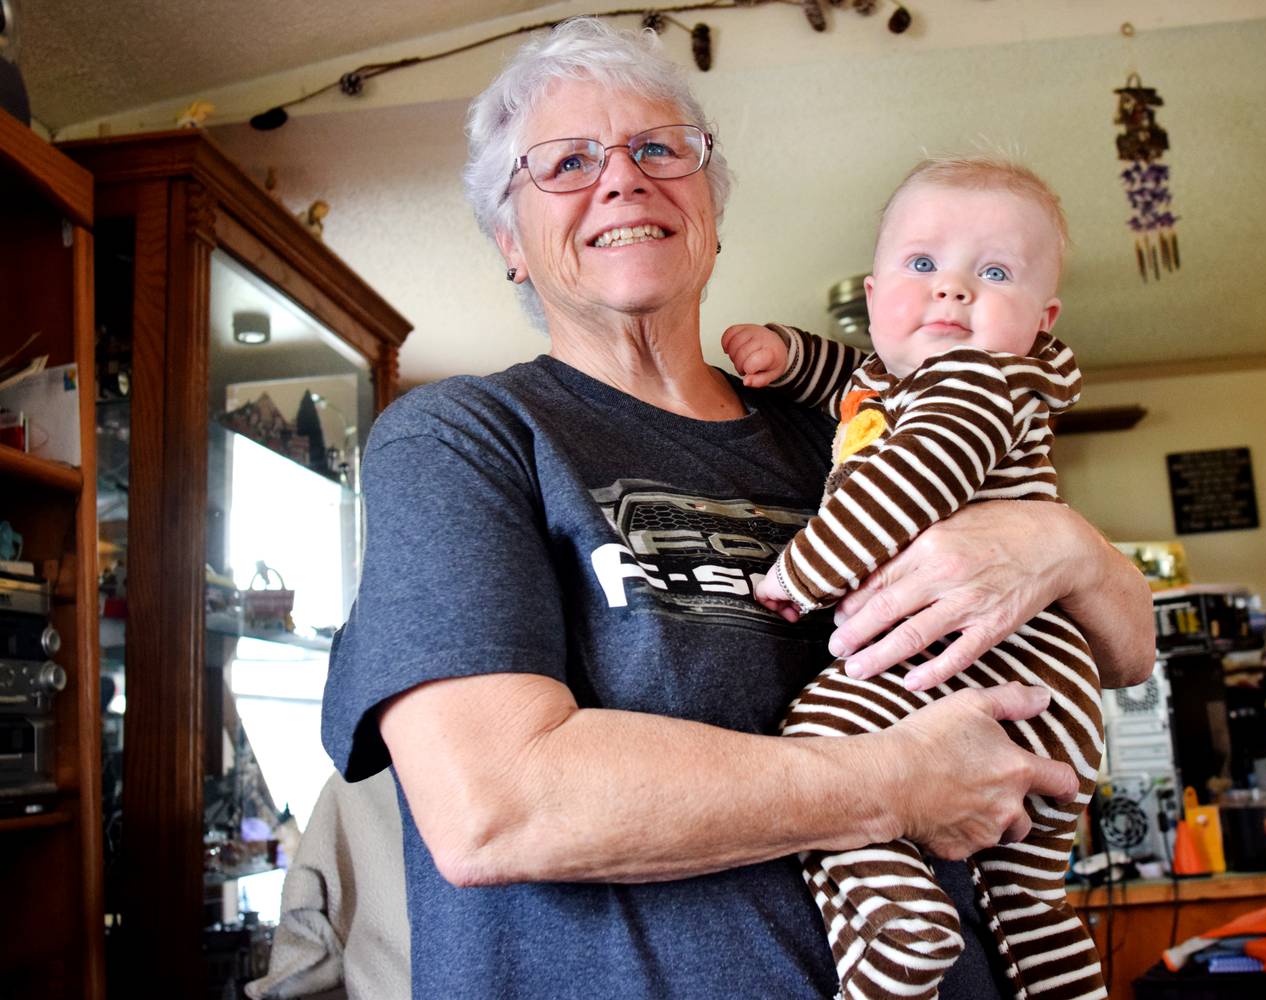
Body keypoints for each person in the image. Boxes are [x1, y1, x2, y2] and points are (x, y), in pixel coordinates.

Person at [320, 18, 1154, 1000]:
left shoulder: (839, 427)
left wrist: (1066, 546)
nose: (623, 178)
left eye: (659, 149)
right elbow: (496, 805)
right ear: (511, 241)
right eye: (568, 162)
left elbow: (1128, 650)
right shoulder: (461, 436)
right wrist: (896, 782)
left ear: (710, 211)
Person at [722, 157, 1106, 1000]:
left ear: (1042, 320)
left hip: (984, 662)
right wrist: (794, 358)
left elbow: (912, 480)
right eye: (922, 265)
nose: (953, 292)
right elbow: (859, 385)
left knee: (822, 760)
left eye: (993, 272)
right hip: (1049, 694)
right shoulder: (902, 379)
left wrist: (803, 573)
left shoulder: (977, 384)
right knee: (1031, 902)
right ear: (872, 289)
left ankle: (898, 926)